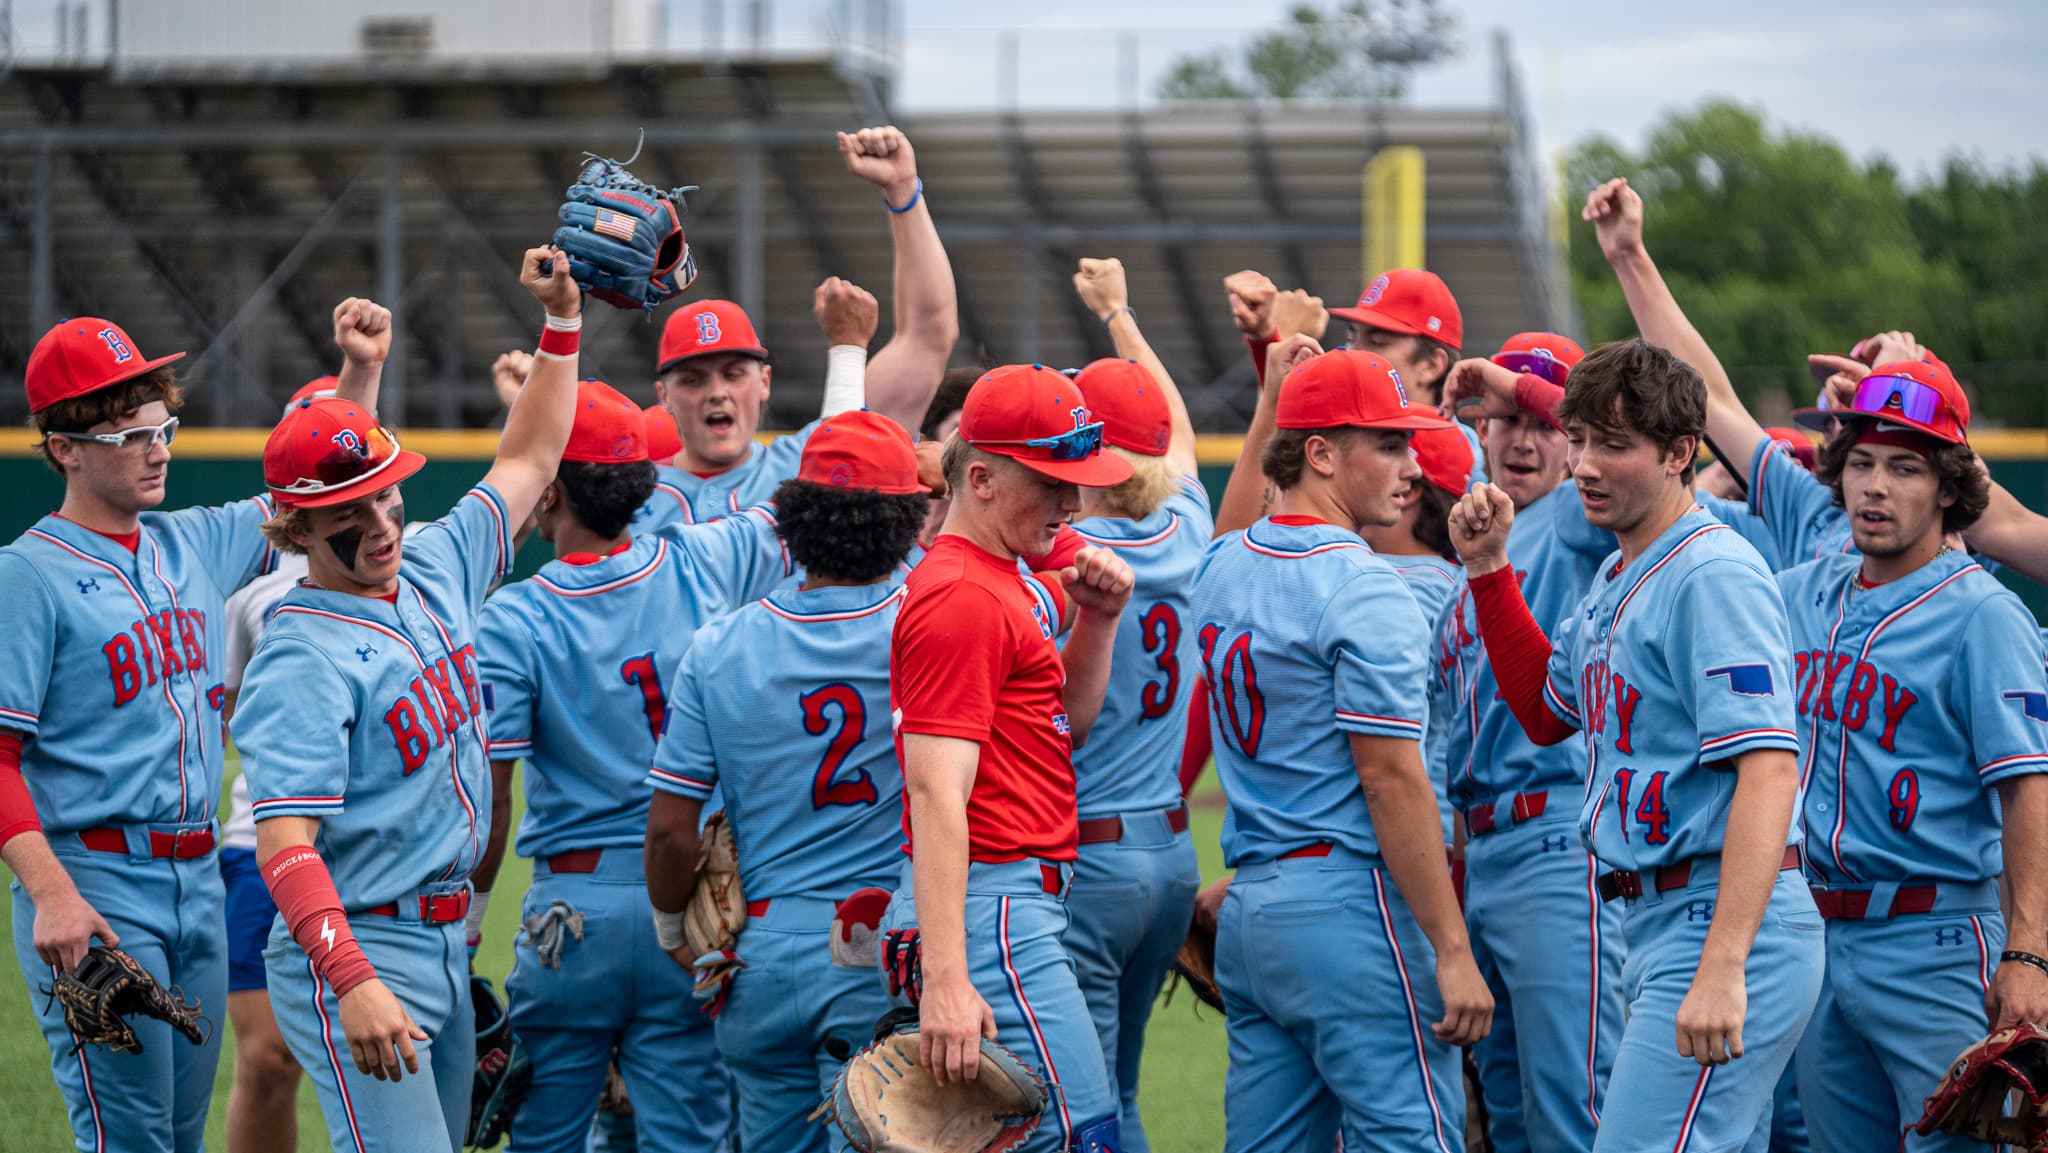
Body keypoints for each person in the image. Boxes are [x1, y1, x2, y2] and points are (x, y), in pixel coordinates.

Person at [0, 300, 385, 1153]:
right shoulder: (26, 574)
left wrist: (358, 372)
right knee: (129, 1138)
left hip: (199, 879)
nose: (157, 447)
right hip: (97, 886)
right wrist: (54, 894)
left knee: (178, 1134)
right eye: (127, 435)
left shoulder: (193, 542)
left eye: (162, 426)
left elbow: (320, 480)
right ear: (63, 446)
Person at [232, 249, 581, 1153]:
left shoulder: (435, 567)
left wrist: (562, 324)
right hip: (362, 946)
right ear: (293, 526)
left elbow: (534, 454)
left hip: (442, 937)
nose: (381, 523)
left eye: (385, 494)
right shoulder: (299, 654)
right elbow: (282, 841)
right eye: (349, 511)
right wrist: (349, 978)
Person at [1449, 337, 1824, 1152]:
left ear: (1680, 453)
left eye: (1613, 445)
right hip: (1658, 917)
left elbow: (1768, 768)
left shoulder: (1710, 572)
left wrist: (1726, 961)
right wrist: (1488, 572)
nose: (1584, 463)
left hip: (1718, 918)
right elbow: (1549, 713)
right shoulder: (1619, 574)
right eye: (1579, 438)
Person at [470, 378, 794, 1153]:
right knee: (687, 1140)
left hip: (571, 913)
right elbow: (807, 486)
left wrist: (471, 927)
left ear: (549, 493)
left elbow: (493, 796)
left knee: (546, 1138)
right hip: (689, 906)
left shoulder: (514, 617)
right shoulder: (704, 559)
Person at [1191, 338, 1491, 1152]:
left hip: (1254, 903)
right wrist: (1453, 948)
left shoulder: (1221, 565)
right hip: (1353, 905)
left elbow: (1240, 535)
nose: (1412, 464)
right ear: (1319, 453)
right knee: (1409, 1138)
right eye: (1388, 443)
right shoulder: (1366, 585)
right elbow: (1391, 780)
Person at [643, 410, 930, 1153]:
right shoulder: (931, 624)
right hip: (887, 943)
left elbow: (672, 829)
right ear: (905, 519)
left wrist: (675, 924)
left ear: (790, 520)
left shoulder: (720, 643)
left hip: (760, 953)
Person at [885, 363, 1138, 1153]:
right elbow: (934, 793)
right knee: (1077, 1134)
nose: (1074, 502)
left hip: (1004, 900)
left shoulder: (1006, 578)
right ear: (984, 478)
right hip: (989, 905)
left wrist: (1094, 621)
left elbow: (1068, 724)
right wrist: (951, 978)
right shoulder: (962, 593)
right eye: (1053, 481)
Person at [1431, 335, 1624, 1153]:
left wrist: (1513, 380)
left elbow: (1610, 428)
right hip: (1483, 855)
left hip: (1558, 843)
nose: (1521, 437)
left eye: (1542, 423)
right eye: (1503, 417)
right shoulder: (1472, 547)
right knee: (1509, 1117)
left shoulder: (1580, 521)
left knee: (1571, 1110)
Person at [1059, 258, 1210, 1153]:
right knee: (1119, 1087)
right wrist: (1121, 313)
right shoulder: (1186, 522)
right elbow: (1180, 432)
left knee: (1077, 1108)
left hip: (1089, 858)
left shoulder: (1062, 551)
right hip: (1170, 853)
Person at [636, 125, 954, 529]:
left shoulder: (808, 457)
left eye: (734, 374)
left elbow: (928, 336)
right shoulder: (631, 500)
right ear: (663, 395)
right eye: (694, 380)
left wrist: (904, 192)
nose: (717, 393)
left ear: (765, 381)